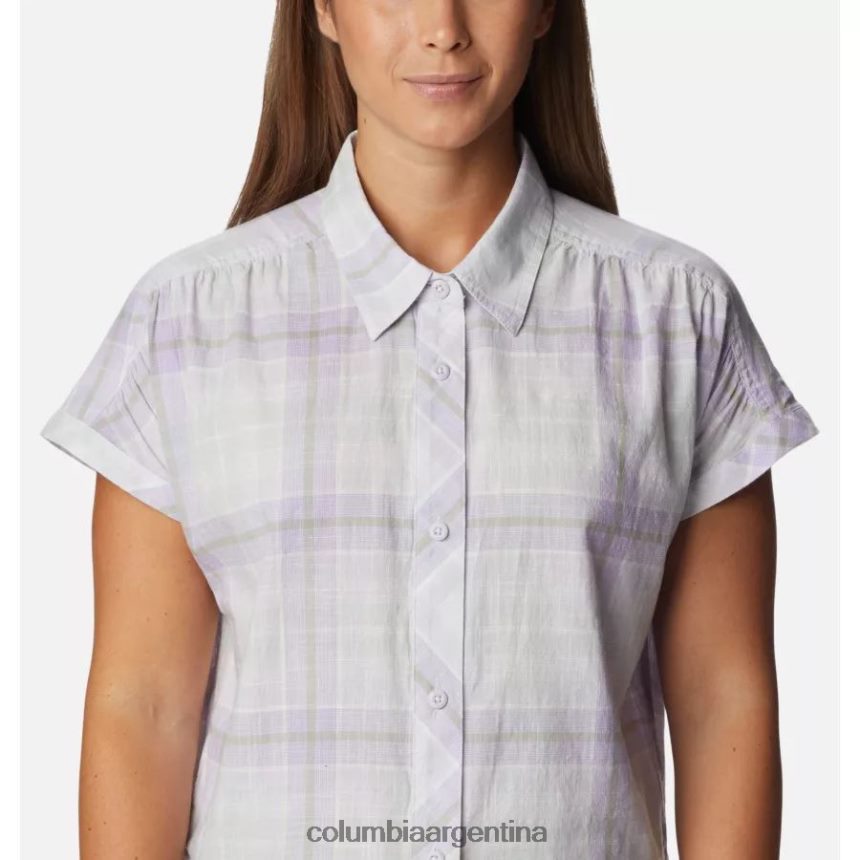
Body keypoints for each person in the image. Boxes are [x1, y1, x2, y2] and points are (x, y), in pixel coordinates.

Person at [39, 1, 820, 857]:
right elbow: (143, 706)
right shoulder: (187, 321)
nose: (443, 27)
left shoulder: (678, 318)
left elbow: (720, 698)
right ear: (323, 10)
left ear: (546, 8)